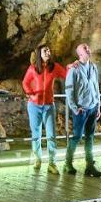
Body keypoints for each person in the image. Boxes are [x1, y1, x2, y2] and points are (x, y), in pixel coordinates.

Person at [21, 44, 68, 173]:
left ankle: (52, 163)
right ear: (39, 54)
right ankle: (38, 159)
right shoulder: (33, 68)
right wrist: (31, 93)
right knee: (36, 135)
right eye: (45, 50)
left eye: (49, 50)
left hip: (48, 106)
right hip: (34, 105)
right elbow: (25, 82)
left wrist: (72, 67)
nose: (48, 52)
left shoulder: (55, 67)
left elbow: (66, 74)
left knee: (51, 135)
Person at [64, 43, 101, 177]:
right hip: (81, 110)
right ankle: (67, 163)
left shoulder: (93, 67)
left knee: (90, 137)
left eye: (88, 47)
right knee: (77, 136)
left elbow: (96, 87)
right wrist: (74, 108)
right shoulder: (74, 69)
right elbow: (69, 90)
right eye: (85, 48)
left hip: (92, 108)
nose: (88, 49)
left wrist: (98, 106)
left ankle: (90, 165)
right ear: (80, 54)